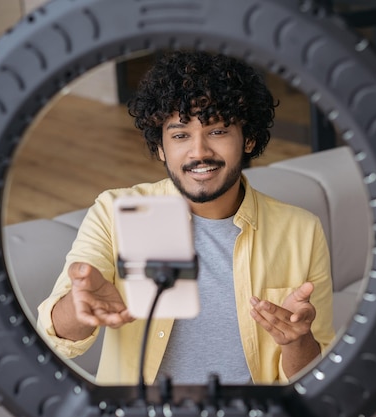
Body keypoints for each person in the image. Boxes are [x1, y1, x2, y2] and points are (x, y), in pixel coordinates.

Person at [37, 50, 335, 386]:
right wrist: (80, 305)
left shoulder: (301, 230)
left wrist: (297, 340)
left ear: (248, 139)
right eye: (180, 135)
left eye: (218, 131)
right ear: (161, 147)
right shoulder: (114, 212)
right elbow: (56, 337)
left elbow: (315, 378)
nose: (199, 152)